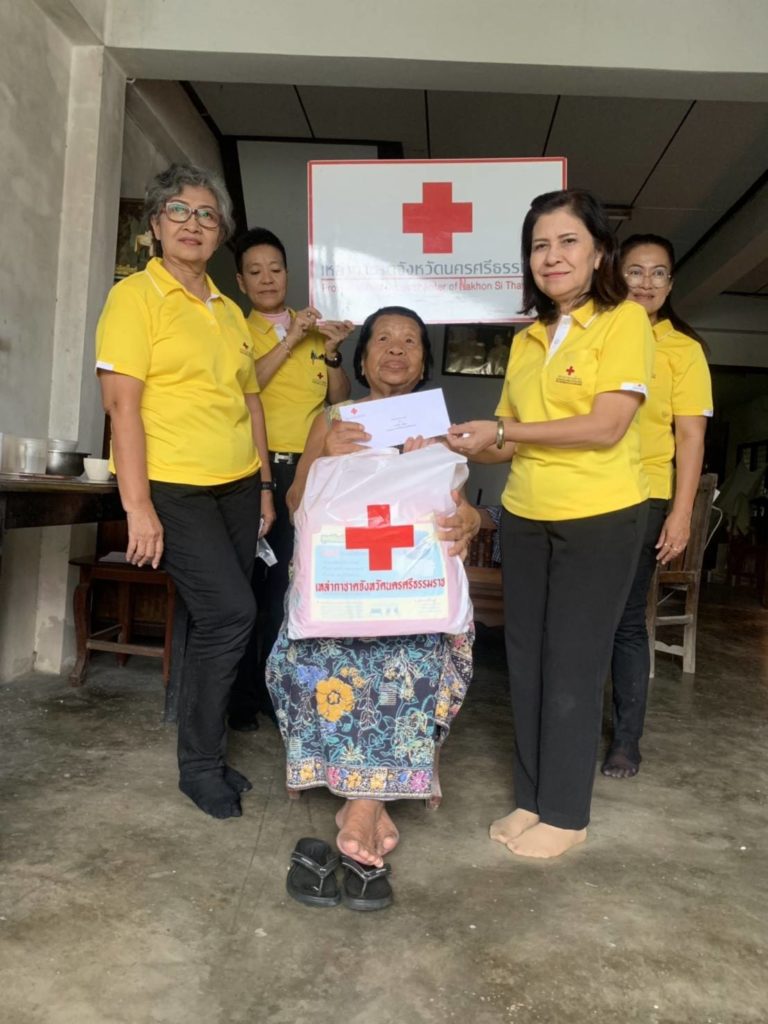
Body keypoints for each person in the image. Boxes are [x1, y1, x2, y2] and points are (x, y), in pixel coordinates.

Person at [447, 189, 654, 859]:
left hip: (599, 515)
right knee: (528, 661)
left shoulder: (624, 322)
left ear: (599, 254)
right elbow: (506, 441)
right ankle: (532, 798)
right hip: (528, 514)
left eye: (568, 242)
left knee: (573, 663)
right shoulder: (528, 338)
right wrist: (459, 442)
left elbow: (607, 425)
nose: (552, 256)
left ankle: (567, 813)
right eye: (540, 245)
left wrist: (504, 431)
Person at [267, 306, 479, 895]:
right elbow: (295, 504)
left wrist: (466, 517)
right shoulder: (333, 420)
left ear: (423, 362)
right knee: (329, 653)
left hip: (410, 595)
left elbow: (462, 511)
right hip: (342, 592)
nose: (396, 348)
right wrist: (326, 456)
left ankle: (360, 808)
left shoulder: (442, 431)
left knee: (411, 653)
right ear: (361, 360)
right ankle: (371, 806)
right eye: (383, 338)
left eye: (410, 340)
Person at [95, 163, 275, 820]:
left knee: (213, 621)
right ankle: (198, 765)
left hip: (236, 485)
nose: (193, 224)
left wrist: (263, 484)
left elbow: (249, 401)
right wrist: (137, 505)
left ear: (219, 231)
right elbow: (122, 407)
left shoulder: (227, 310)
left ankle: (209, 754)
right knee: (231, 615)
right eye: (178, 210)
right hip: (175, 486)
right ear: (155, 224)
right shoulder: (134, 298)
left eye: (206, 214)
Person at [227, 228, 354, 731]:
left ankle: (275, 693)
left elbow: (338, 399)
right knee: (246, 589)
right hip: (254, 471)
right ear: (241, 282)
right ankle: (240, 698)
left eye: (275, 269)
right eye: (255, 272)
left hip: (308, 473)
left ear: (288, 273)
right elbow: (247, 384)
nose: (267, 279)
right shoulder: (234, 328)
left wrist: (332, 351)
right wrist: (292, 338)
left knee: (290, 586)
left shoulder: (315, 327)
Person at [602, 234, 713, 779]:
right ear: (615, 275)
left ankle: (627, 740)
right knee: (579, 618)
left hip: (644, 495)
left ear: (671, 283)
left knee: (625, 619)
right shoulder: (597, 331)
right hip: (583, 492)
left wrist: (681, 512)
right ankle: (570, 729)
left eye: (659, 273)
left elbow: (690, 436)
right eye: (635, 271)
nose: (646, 283)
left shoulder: (683, 350)